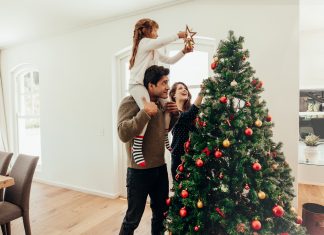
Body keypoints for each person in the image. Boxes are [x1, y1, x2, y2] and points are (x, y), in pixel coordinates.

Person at [118, 65, 179, 235]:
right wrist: (144, 113)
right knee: (132, 219)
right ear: (150, 86)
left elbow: (160, 132)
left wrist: (174, 115)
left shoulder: (162, 104)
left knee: (161, 215)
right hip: (138, 172)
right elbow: (123, 133)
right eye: (164, 82)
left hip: (160, 169)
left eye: (168, 82)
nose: (168, 86)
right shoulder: (129, 102)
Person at [129, 18, 192, 167]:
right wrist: (179, 35)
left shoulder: (154, 51)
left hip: (147, 86)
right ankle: (137, 146)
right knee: (148, 109)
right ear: (147, 31)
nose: (157, 34)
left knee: (169, 106)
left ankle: (165, 137)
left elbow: (170, 60)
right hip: (137, 85)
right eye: (155, 30)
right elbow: (161, 42)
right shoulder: (144, 43)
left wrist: (183, 51)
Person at [169, 82, 204, 181]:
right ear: (173, 94)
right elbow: (188, 116)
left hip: (195, 158)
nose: (184, 90)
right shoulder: (172, 112)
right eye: (180, 88)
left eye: (185, 88)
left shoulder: (191, 113)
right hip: (179, 160)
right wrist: (202, 92)